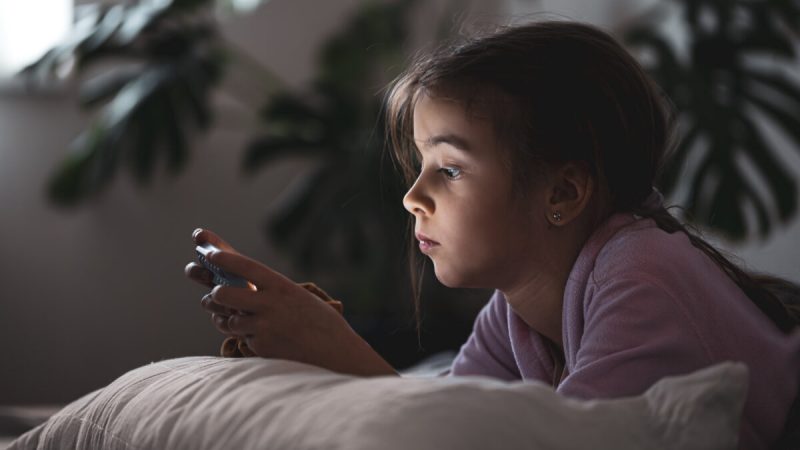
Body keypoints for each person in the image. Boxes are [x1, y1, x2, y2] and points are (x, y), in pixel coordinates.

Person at [185, 20, 800, 449]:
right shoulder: (515, 313)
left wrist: (338, 349)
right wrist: (310, 346)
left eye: (449, 169)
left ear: (562, 193)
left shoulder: (641, 274)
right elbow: (455, 427)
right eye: (420, 165)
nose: (412, 196)